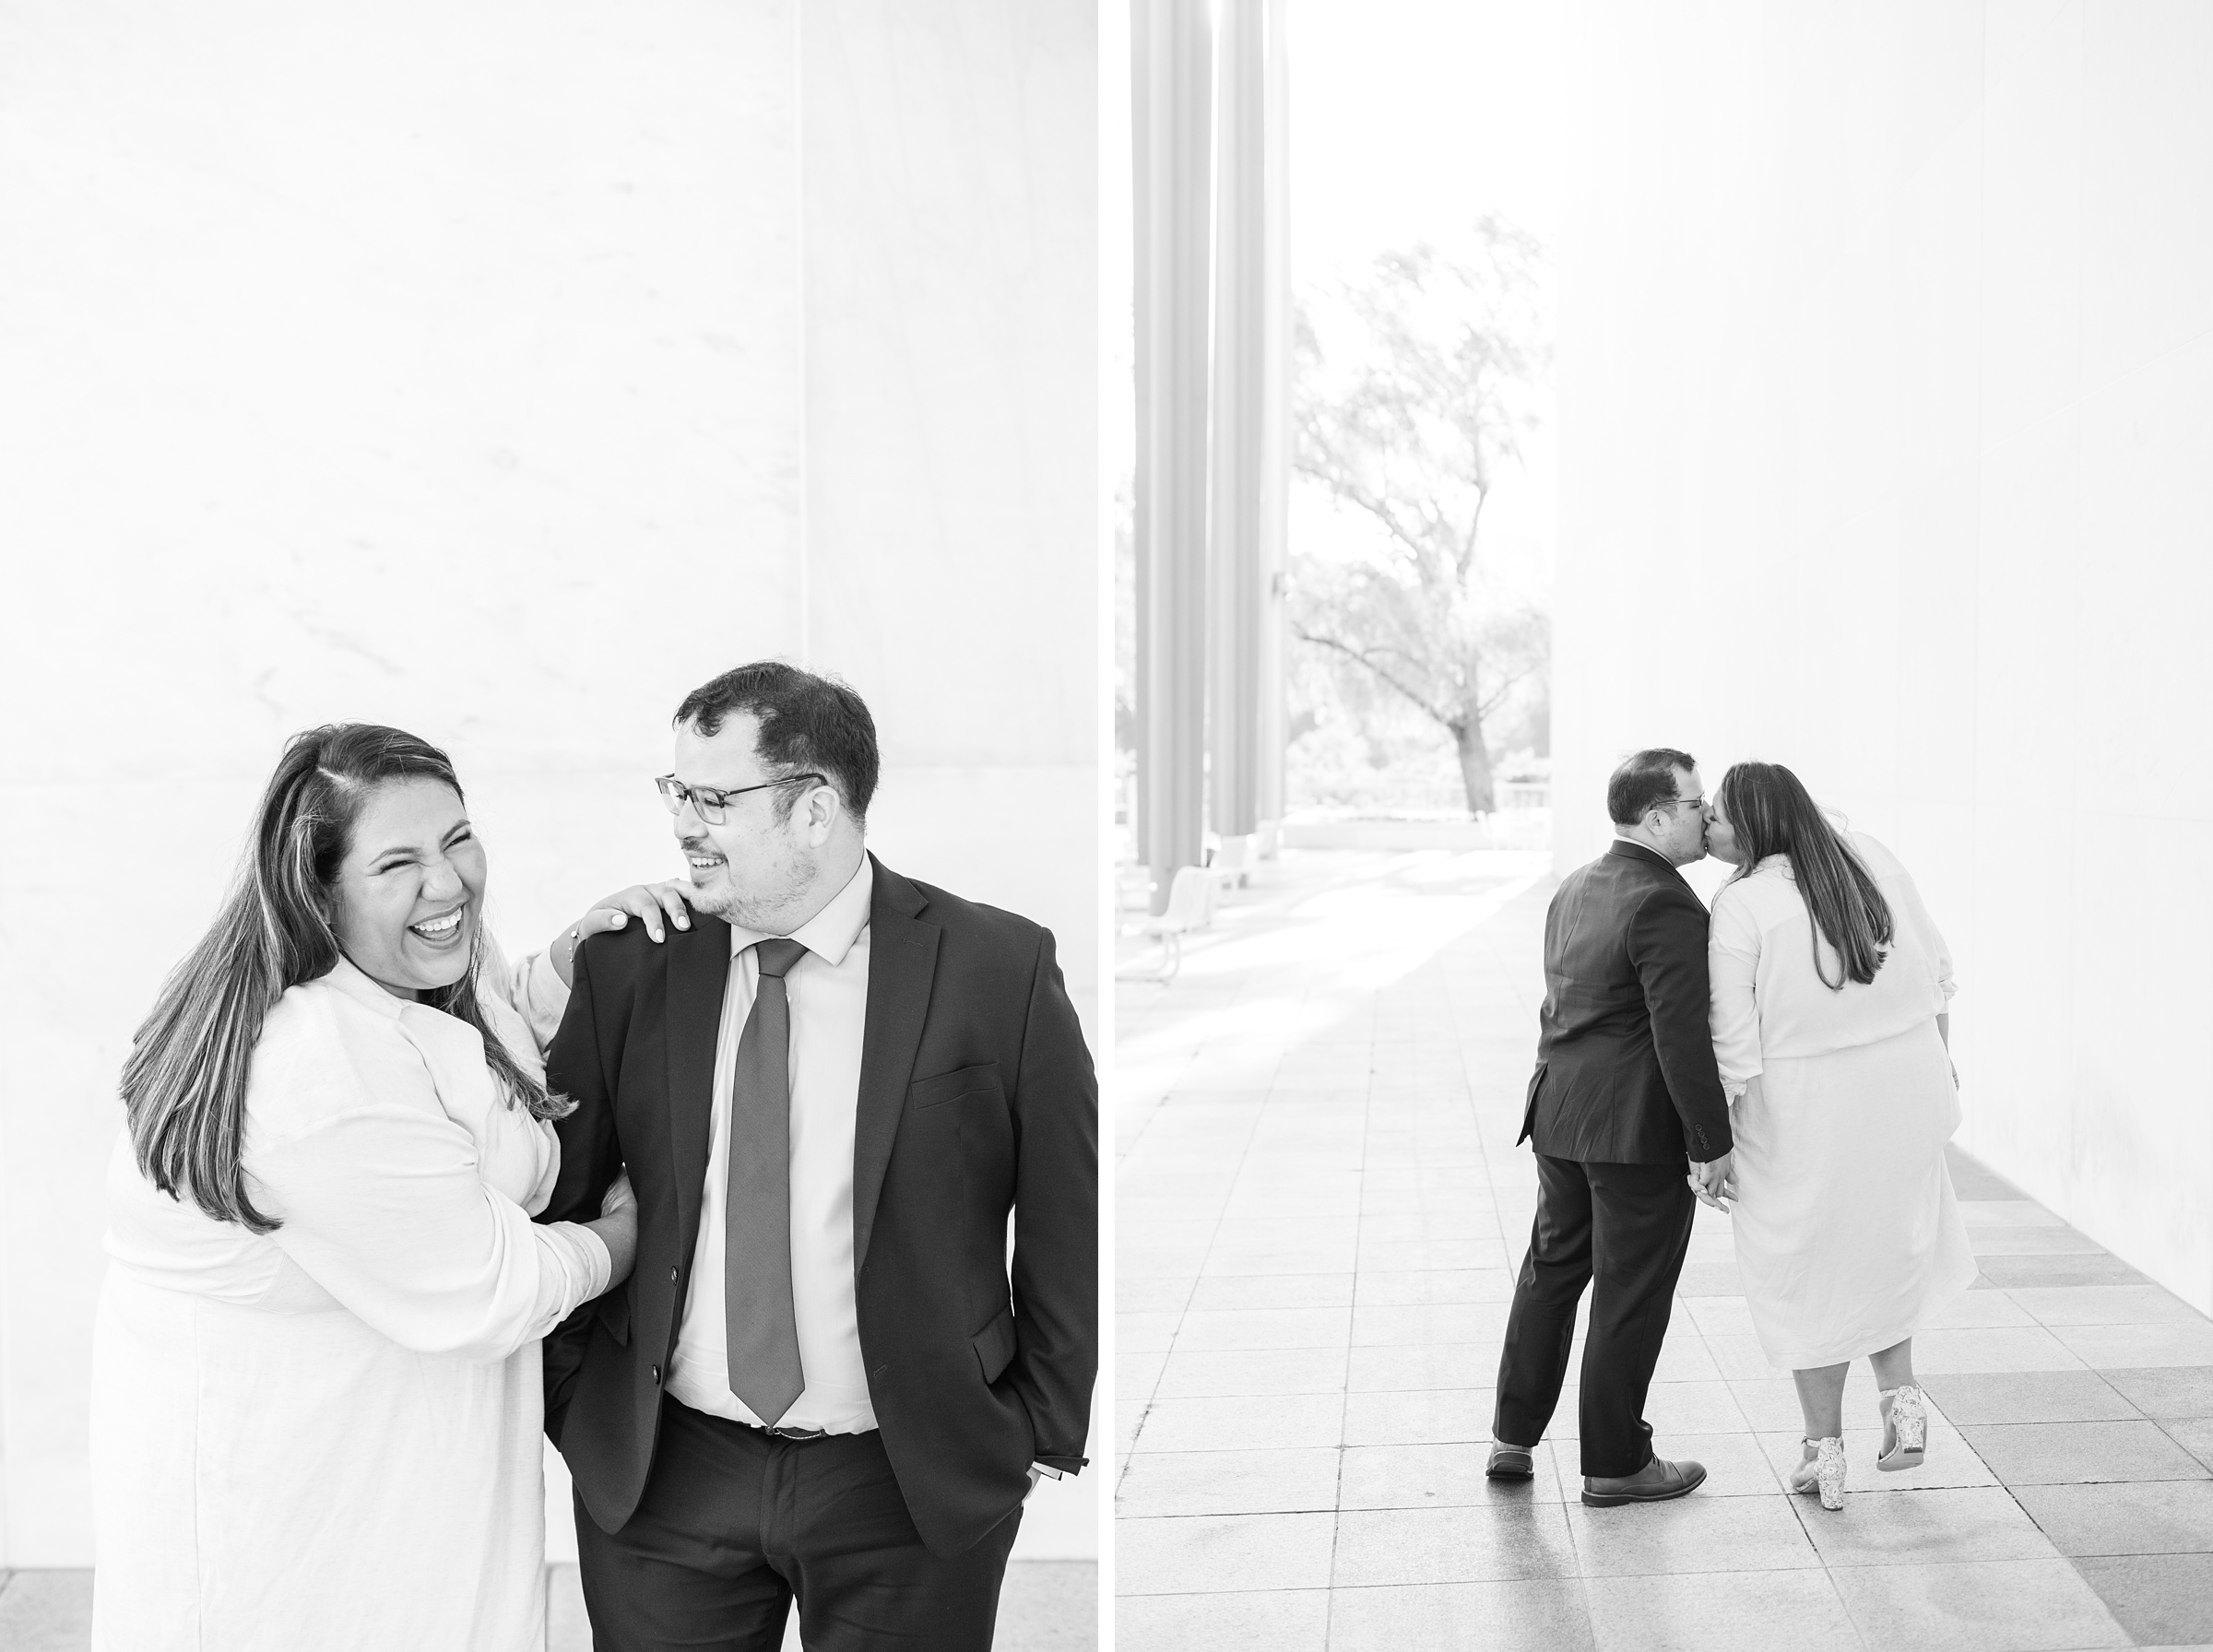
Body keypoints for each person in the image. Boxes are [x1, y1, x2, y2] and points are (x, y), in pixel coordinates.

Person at [90, 723, 697, 1652]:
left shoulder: (405, 970)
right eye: (399, 862)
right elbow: (492, 1287)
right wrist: (630, 1232)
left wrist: (573, 962)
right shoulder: (312, 1070)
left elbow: (478, 1056)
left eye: (458, 838)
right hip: (295, 1495)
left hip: (392, 1469)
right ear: (318, 890)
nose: (449, 882)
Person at [539, 661, 1097, 1652]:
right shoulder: (631, 962)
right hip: (667, 1477)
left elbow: (1065, 1208)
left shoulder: (995, 968)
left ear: (816, 809)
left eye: (715, 797)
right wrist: (575, 1399)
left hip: (909, 1480)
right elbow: (561, 1188)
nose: (682, 824)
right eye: (677, 792)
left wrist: (1038, 1423)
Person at [1704, 761, 1973, 1509]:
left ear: (1753, 827)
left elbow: (1733, 1039)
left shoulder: (1743, 905)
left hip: (1804, 1107)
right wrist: (1942, 1063)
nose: (1709, 829)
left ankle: (1824, 1453)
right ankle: (1904, 1402)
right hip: (1903, 1084)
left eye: (1718, 817)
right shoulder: (1871, 858)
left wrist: (1716, 1141)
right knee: (1886, 1246)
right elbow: (1938, 973)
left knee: (1804, 1272)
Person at [1489, 748, 1734, 1506]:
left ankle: (1511, 1438)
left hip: (1559, 1113)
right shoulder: (1667, 902)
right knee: (1632, 1291)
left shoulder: (1577, 884)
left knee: (1551, 1274)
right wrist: (1710, 1143)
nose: (1707, 815)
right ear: (1659, 817)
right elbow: (1679, 1034)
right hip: (1631, 1132)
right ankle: (1617, 1462)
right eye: (1698, 805)